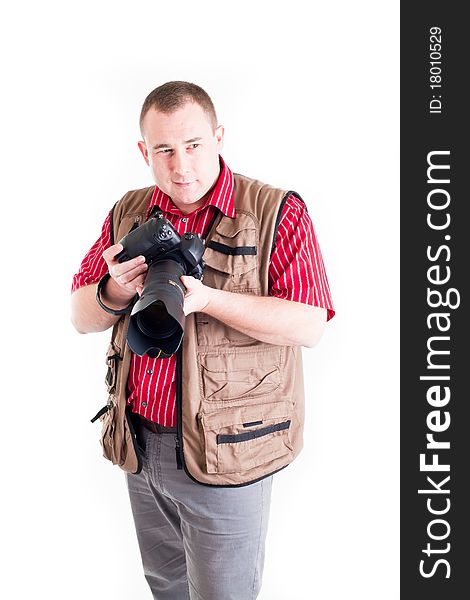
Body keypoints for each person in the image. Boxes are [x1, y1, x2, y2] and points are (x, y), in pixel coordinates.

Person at [71, 81, 334, 600]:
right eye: (164, 150)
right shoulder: (129, 212)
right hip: (139, 447)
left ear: (218, 137)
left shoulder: (275, 210)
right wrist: (113, 290)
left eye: (192, 145)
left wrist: (208, 300)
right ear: (144, 151)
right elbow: (81, 317)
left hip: (229, 455)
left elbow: (309, 324)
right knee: (166, 586)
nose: (180, 165)